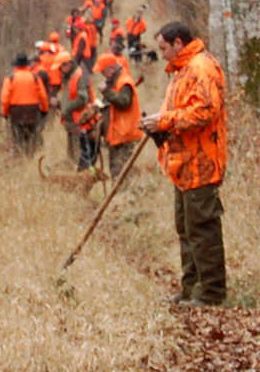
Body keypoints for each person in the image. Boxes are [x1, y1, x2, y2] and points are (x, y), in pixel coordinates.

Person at [142, 20, 228, 306]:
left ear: (178, 43)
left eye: (163, 48)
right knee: (186, 229)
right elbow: (181, 111)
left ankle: (212, 293)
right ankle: (191, 288)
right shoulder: (182, 69)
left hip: (202, 164)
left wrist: (165, 121)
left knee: (202, 229)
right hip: (183, 164)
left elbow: (205, 112)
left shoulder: (201, 67)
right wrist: (158, 125)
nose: (162, 54)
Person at [92, 51, 144, 176]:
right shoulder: (114, 81)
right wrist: (100, 106)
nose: (102, 74)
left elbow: (124, 103)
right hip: (117, 134)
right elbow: (113, 105)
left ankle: (131, 189)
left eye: (103, 71)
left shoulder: (124, 82)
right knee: (117, 171)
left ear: (111, 68)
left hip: (124, 135)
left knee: (122, 173)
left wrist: (106, 92)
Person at [0, 53, 49, 154]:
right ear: (27, 64)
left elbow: (5, 99)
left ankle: (20, 157)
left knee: (18, 139)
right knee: (32, 137)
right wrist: (44, 110)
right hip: (32, 111)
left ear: (16, 65)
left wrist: (5, 113)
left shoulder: (10, 78)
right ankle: (31, 156)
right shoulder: (35, 77)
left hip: (16, 112)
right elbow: (43, 96)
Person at [58, 56, 99, 171]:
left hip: (80, 123)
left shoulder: (79, 75)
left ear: (68, 64)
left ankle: (85, 177)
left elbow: (82, 99)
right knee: (73, 156)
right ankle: (79, 177)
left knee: (81, 157)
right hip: (73, 122)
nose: (60, 70)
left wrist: (67, 109)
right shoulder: (69, 76)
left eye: (61, 67)